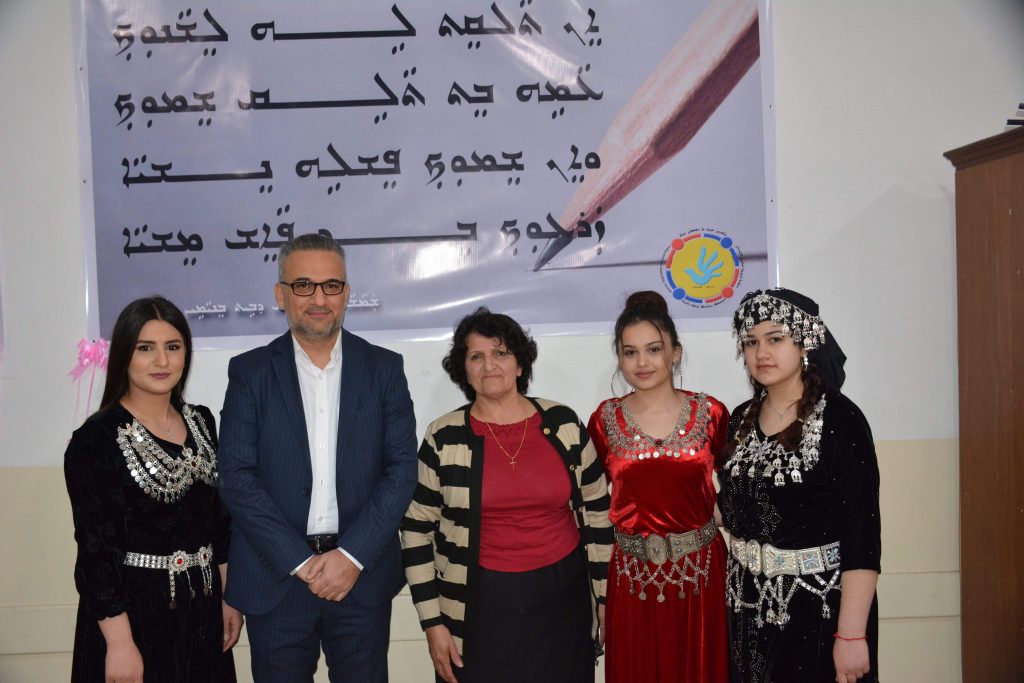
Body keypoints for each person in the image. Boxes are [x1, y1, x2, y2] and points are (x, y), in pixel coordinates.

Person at [218, 233, 418, 682]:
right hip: (277, 578)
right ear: (281, 294)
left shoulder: (384, 369)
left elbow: (402, 469)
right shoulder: (249, 372)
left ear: (346, 293)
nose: (319, 299)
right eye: (304, 285)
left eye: (331, 286)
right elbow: (237, 477)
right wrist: (301, 562)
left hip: (361, 578)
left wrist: (352, 556)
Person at [401, 308, 613, 683]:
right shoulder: (443, 436)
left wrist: (605, 598)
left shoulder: (563, 424)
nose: (489, 366)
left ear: (520, 364)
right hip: (477, 603)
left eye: (500, 353)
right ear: (464, 369)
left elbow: (599, 513)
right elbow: (416, 529)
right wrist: (432, 622)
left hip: (563, 598)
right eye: (476, 356)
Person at [64, 296, 241, 683]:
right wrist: (120, 644)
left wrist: (230, 599)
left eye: (172, 347)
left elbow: (220, 526)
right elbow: (96, 553)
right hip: (135, 618)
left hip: (203, 609)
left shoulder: (202, 421)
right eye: (146, 348)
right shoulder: (96, 439)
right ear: (124, 355)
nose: (162, 361)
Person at [718, 288, 880, 683]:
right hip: (746, 610)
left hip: (818, 613)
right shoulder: (740, 419)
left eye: (775, 339)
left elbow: (862, 537)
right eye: (751, 342)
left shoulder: (840, 420)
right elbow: (731, 512)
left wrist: (852, 635)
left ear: (804, 342)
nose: (761, 353)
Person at [586, 290, 730, 682]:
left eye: (653, 349)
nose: (642, 362)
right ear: (619, 358)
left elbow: (735, 488)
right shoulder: (604, 420)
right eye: (630, 352)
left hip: (701, 575)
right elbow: (591, 504)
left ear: (675, 353)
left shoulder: (712, 413)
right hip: (632, 578)